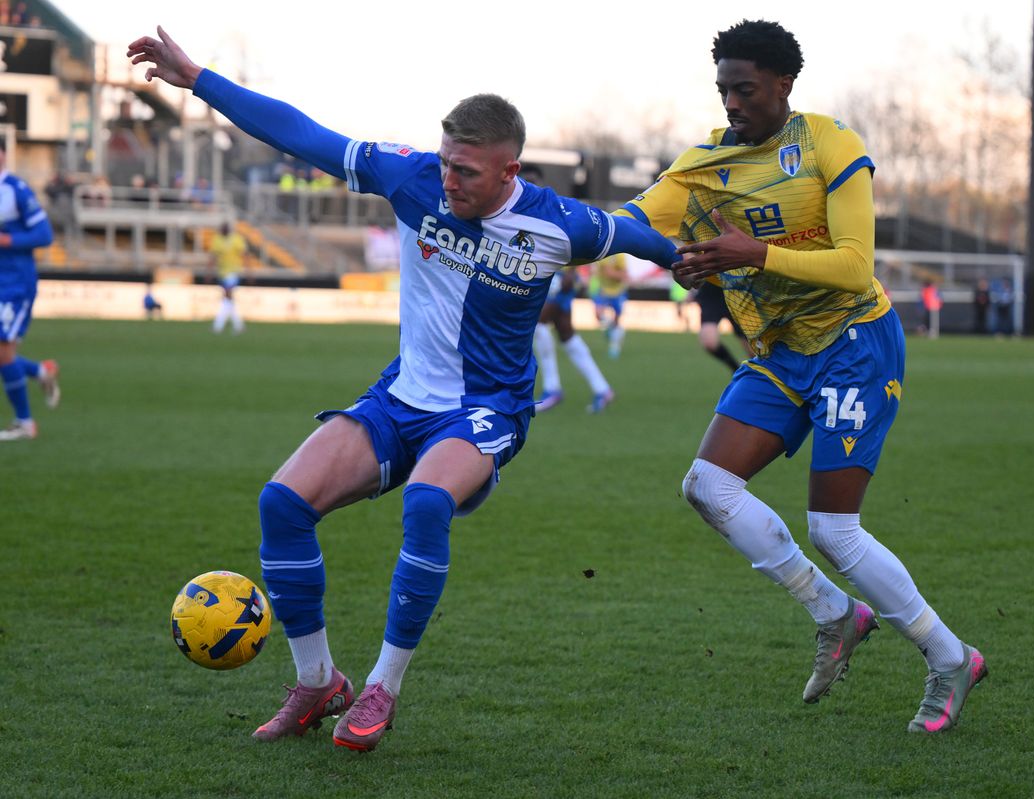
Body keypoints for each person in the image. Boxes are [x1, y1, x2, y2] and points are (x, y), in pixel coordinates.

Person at [128, 27, 681, 752]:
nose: (450, 182)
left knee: (425, 502)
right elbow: (302, 134)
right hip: (400, 400)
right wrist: (199, 78)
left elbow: (650, 241)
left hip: (487, 410)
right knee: (282, 504)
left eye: (468, 173)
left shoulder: (560, 225)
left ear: (510, 169)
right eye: (447, 164)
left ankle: (383, 688)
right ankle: (319, 681)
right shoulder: (411, 176)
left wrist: (722, 272)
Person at [618, 19, 985, 733]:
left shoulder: (827, 143)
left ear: (784, 84)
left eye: (745, 89)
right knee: (707, 485)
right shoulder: (700, 168)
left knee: (833, 528)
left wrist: (752, 253)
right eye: (723, 89)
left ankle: (949, 658)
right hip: (781, 353)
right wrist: (544, 234)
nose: (731, 103)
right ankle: (835, 611)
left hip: (855, 341)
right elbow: (627, 223)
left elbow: (855, 264)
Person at [521, 165, 615, 414]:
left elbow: (572, 239)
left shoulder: (551, 207)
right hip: (547, 280)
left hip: (558, 281)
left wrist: (571, 274)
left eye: (533, 180)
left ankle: (552, 388)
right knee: (567, 335)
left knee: (538, 325)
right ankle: (602, 389)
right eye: (525, 180)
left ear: (541, 182)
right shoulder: (521, 211)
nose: (529, 185)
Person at [0, 139, 59, 442]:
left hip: (13, 284)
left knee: (3, 351)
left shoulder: (15, 190)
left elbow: (44, 234)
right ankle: (40, 371)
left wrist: (8, 241)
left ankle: (25, 423)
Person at [693, 279, 752, 372]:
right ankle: (736, 369)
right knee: (709, 342)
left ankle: (765, 378)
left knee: (754, 351)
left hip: (736, 293)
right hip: (710, 295)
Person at [208, 221, 248, 334]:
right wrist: (209, 272)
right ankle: (238, 325)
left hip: (233, 272)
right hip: (222, 273)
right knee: (228, 299)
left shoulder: (236, 239)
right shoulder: (217, 240)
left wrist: (249, 271)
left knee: (228, 296)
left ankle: (218, 326)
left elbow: (244, 254)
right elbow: (213, 256)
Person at [590, 253, 629, 358]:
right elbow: (608, 273)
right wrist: (616, 274)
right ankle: (610, 327)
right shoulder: (603, 253)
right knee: (598, 314)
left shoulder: (620, 255)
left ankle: (614, 347)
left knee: (617, 318)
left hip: (618, 291)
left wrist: (614, 273)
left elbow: (623, 274)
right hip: (603, 289)